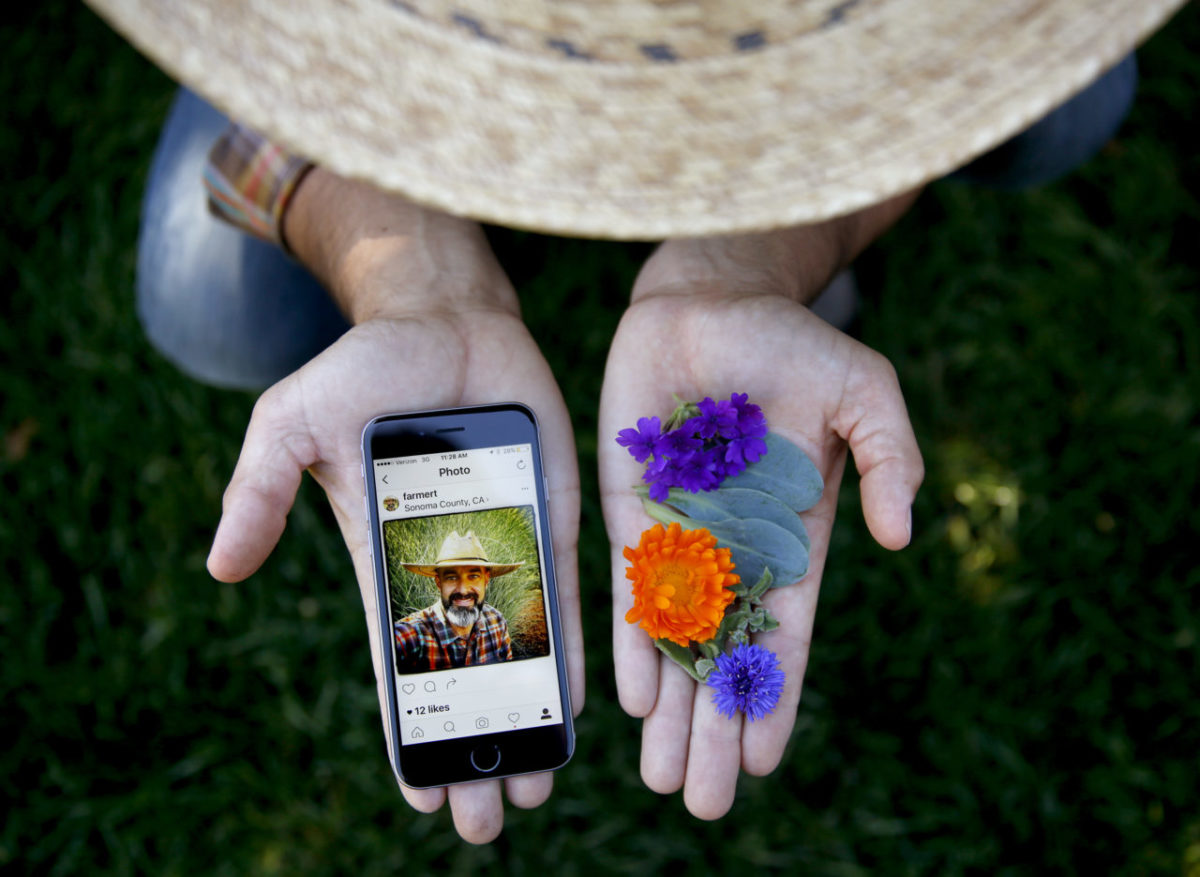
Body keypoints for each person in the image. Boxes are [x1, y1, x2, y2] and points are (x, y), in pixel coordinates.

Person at [89, 0, 1184, 845]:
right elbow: (264, 85)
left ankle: (775, 219)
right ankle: (498, 201)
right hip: (410, 45)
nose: (466, 593)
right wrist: (417, 283)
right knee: (211, 305)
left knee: (1073, 95)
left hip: (778, 77)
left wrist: (761, 257)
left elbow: (974, 49)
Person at [394, 531, 520, 672]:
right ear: (438, 583)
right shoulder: (412, 635)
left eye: (473, 576)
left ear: (486, 580)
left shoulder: (496, 621)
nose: (463, 590)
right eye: (451, 578)